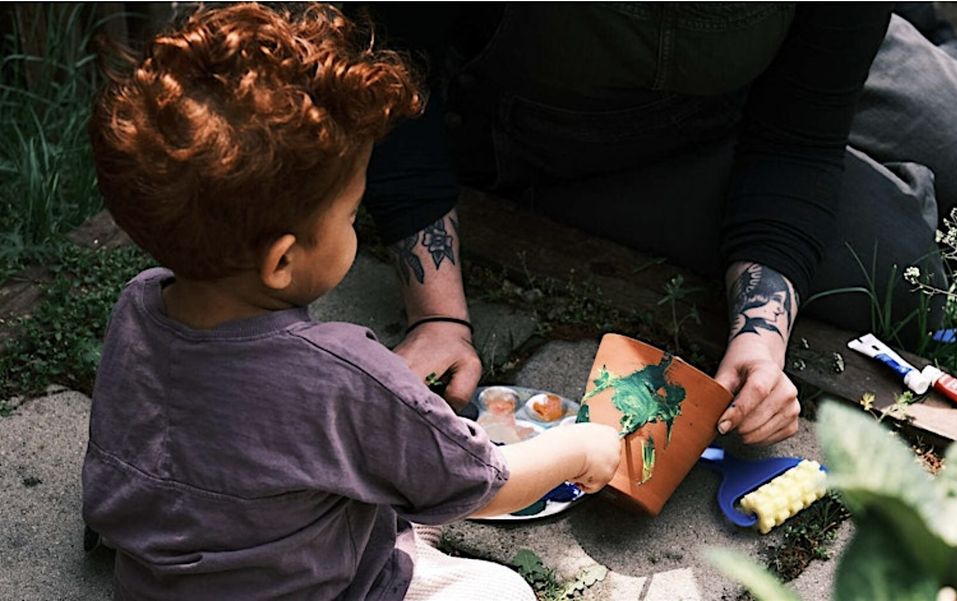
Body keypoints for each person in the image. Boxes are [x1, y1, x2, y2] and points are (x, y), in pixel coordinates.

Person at [356, 4, 957, 447]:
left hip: (793, 79)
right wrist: (440, 315)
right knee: (899, 272)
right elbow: (396, 73)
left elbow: (796, 141)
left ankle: (910, 39)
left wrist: (761, 340)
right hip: (581, 137)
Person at [82, 4, 619, 600]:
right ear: (281, 261)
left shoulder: (139, 304)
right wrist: (578, 447)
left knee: (384, 490)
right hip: (319, 586)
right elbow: (493, 484)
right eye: (347, 215)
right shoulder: (339, 377)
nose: (355, 229)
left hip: (164, 581)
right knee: (501, 590)